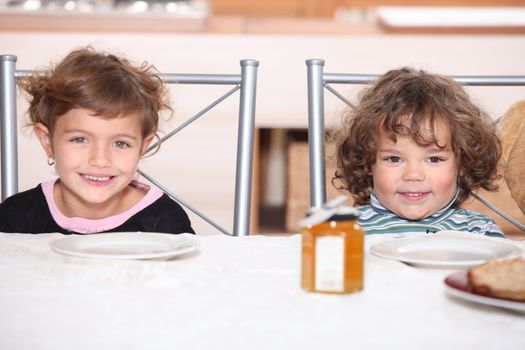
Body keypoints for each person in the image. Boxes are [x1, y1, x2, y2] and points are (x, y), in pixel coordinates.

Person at [0, 47, 195, 235]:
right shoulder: (16, 216)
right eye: (80, 139)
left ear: (142, 147)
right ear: (47, 141)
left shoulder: (164, 222)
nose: (100, 160)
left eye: (121, 143)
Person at [333, 67, 503, 237]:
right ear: (367, 162)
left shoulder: (480, 231)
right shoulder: (345, 231)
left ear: (463, 163)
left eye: (434, 159)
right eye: (394, 159)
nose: (413, 175)